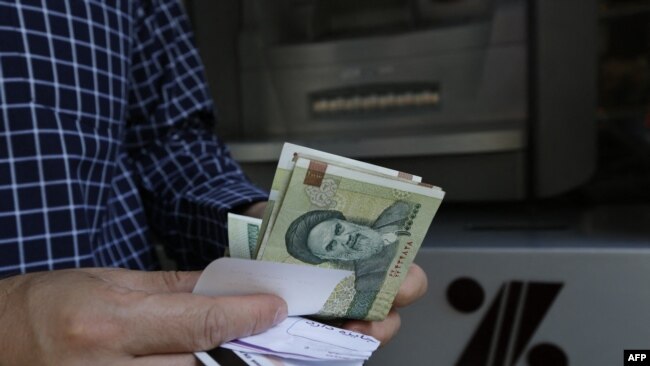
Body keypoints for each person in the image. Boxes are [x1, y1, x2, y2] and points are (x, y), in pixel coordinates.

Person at [0, 1, 427, 364]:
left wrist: (260, 233)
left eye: (332, 236)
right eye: (331, 242)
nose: (343, 243)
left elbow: (169, 143)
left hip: (152, 345)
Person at [286, 201, 414, 319]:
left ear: (345, 222)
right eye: (331, 245)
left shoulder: (399, 211)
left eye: (338, 229)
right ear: (330, 258)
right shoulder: (366, 285)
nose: (345, 239)